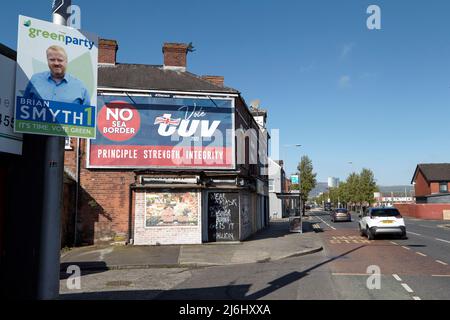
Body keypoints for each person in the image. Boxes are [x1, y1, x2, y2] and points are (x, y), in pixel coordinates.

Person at [23, 45, 91, 106]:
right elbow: (23, 105)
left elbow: (87, 116)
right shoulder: (35, 79)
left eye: (60, 60)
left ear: (66, 62)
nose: (56, 63)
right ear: (47, 60)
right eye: (52, 60)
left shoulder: (80, 86)